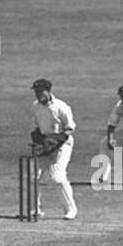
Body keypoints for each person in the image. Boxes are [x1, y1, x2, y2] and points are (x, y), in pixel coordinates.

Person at [29, 79, 78, 220]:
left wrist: (56, 141)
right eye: (36, 92)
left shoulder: (61, 106)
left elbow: (70, 128)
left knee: (58, 178)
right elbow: (35, 128)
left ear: (48, 91)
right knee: (34, 178)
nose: (38, 95)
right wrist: (39, 144)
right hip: (45, 143)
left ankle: (70, 209)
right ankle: (35, 210)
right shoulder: (35, 106)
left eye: (40, 92)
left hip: (62, 145)